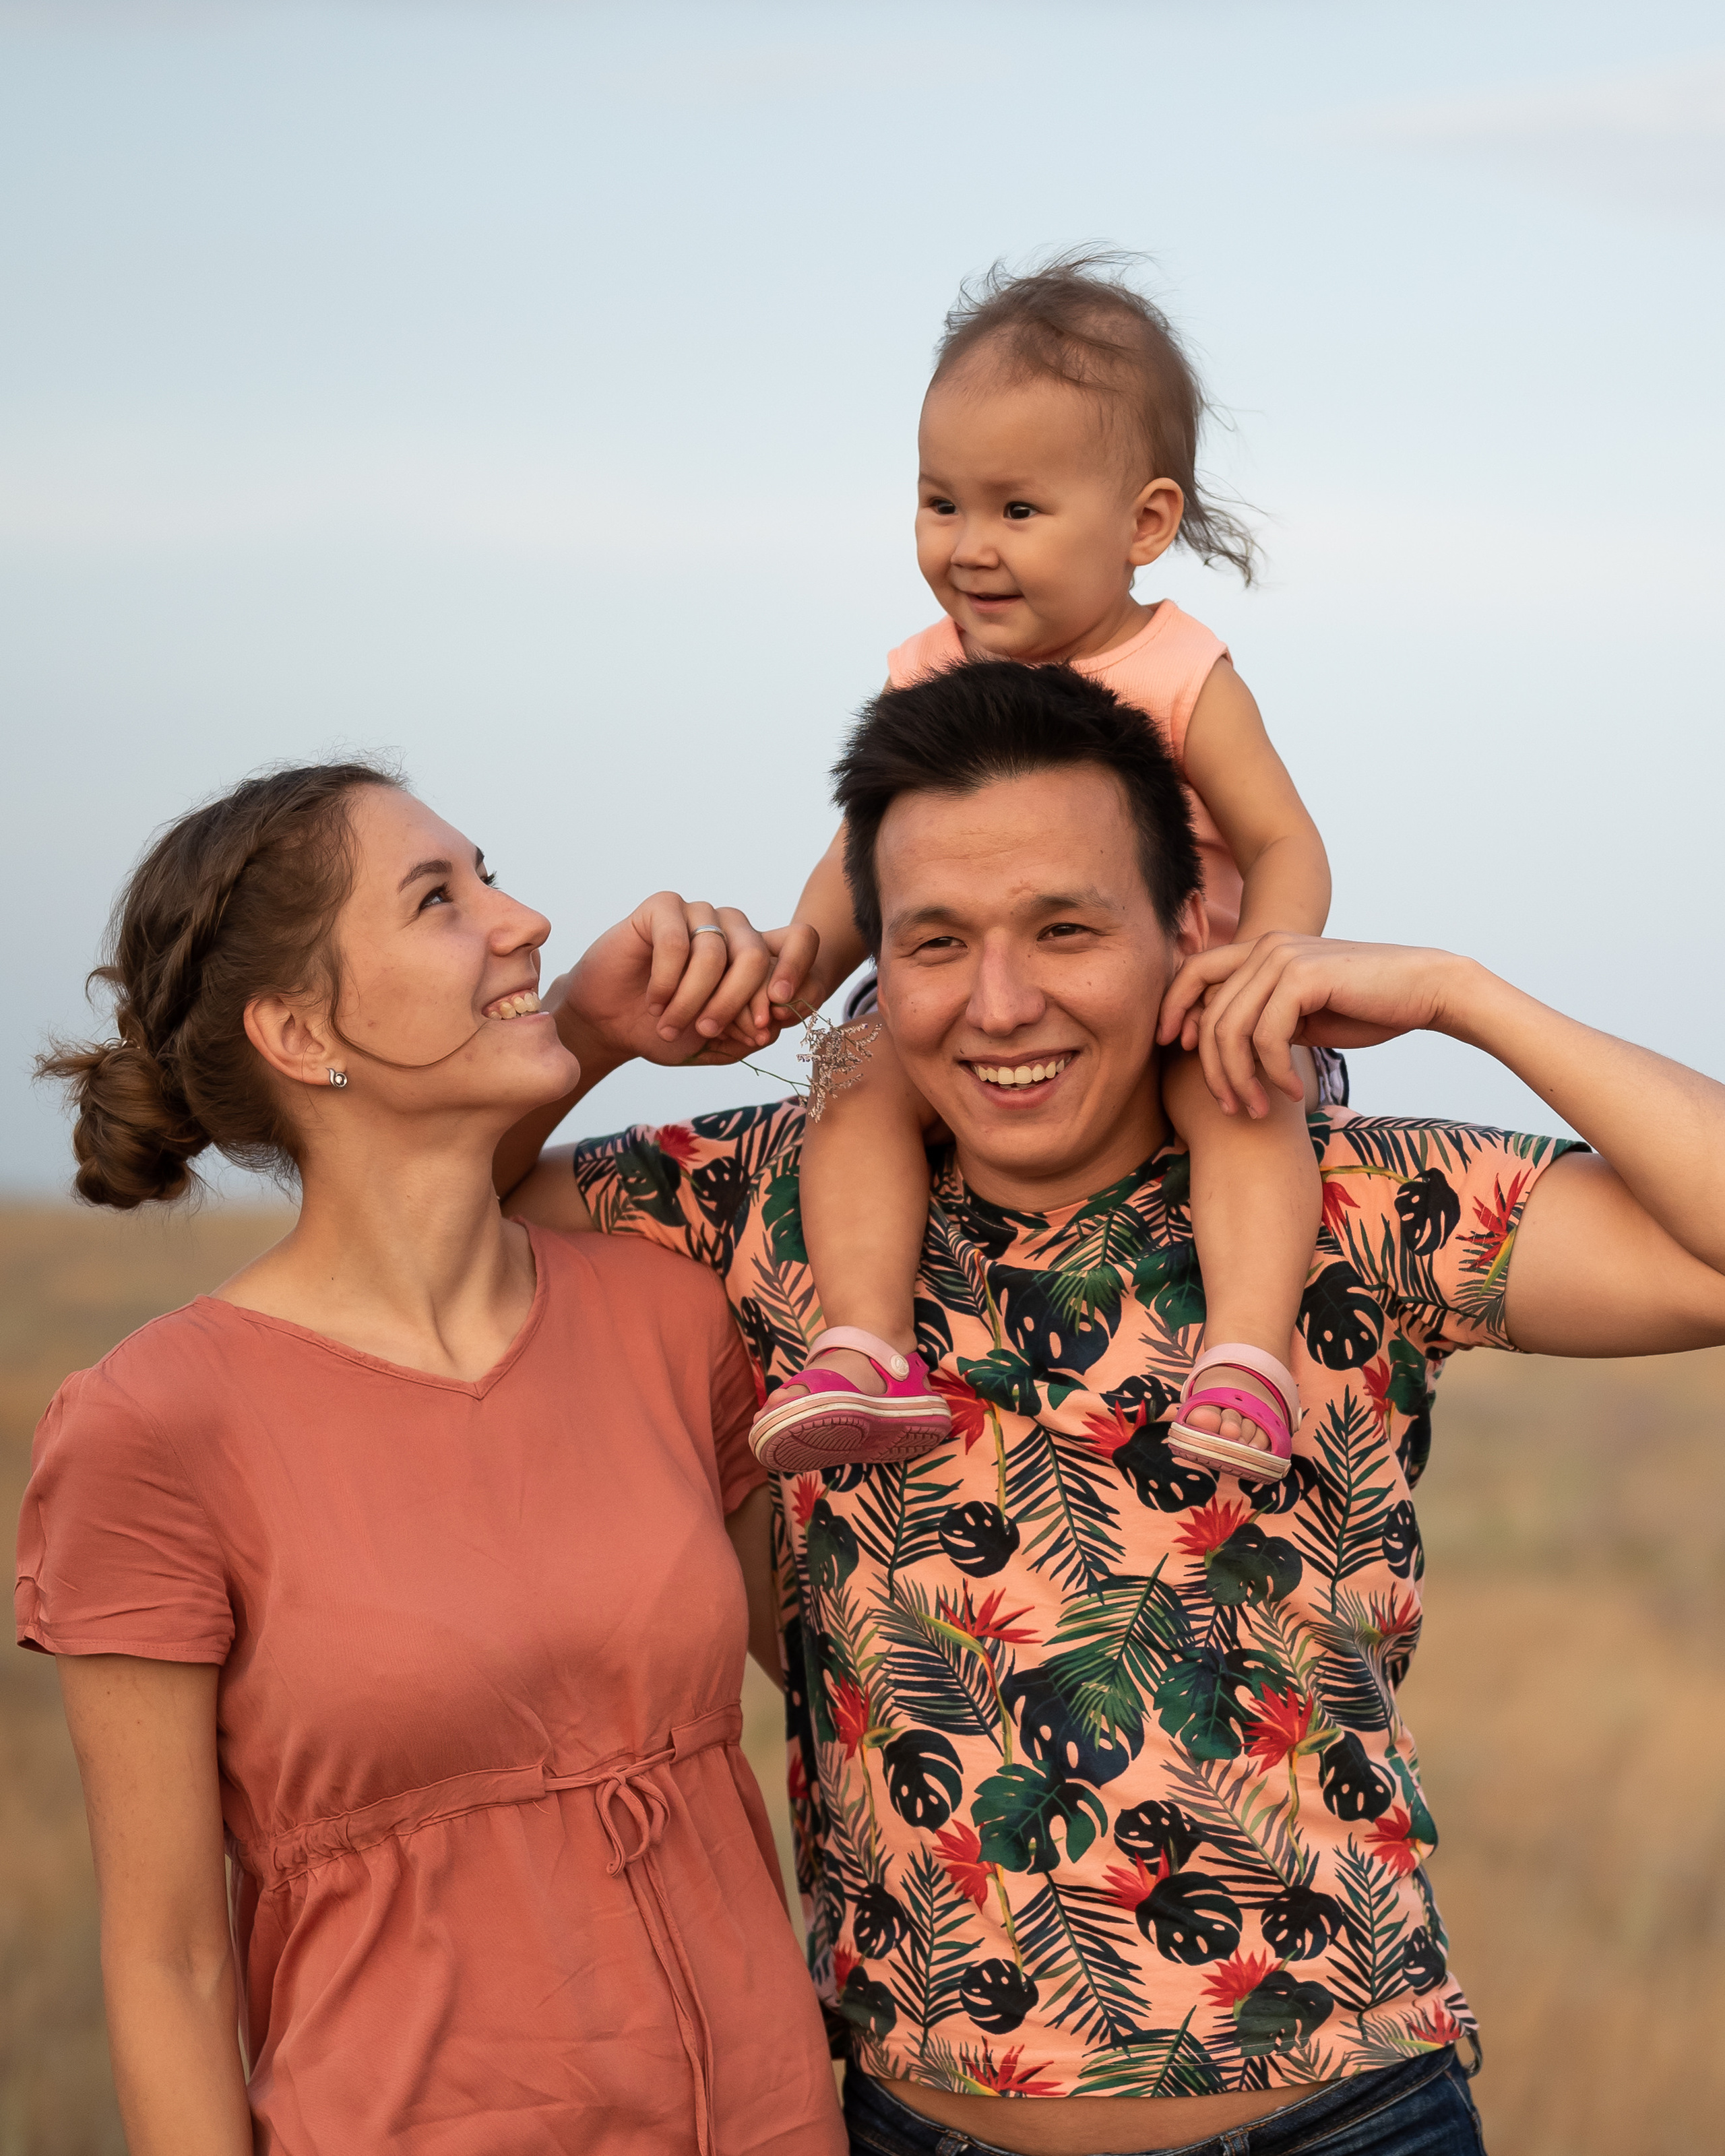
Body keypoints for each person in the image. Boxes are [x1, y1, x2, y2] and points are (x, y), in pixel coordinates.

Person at [508, 662, 1725, 2155]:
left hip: (1338, 2119)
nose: (1000, 1002)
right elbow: (437, 1228)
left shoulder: (1338, 1192)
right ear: (871, 963)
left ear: (1188, 932)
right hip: (914, 2125)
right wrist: (586, 1027)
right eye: (935, 942)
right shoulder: (778, 1194)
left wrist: (1459, 995)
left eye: (1065, 928)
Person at [18, 761, 842, 2155]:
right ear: (298, 1026)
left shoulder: (662, 1319)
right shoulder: (153, 1423)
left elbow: (850, 1691)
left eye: (489, 872)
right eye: (438, 899)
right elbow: (169, 1965)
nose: (521, 919)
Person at [752, 253, 1334, 1486]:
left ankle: (1244, 1352)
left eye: (1018, 512)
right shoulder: (928, 671)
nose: (971, 549)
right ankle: (865, 1345)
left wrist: (1260, 970)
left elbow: (1284, 839)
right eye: (942, 504)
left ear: (1145, 523)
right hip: (1014, 1008)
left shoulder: (1184, 675)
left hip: (1176, 991)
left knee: (1242, 1101)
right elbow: (862, 860)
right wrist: (796, 968)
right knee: (857, 1075)